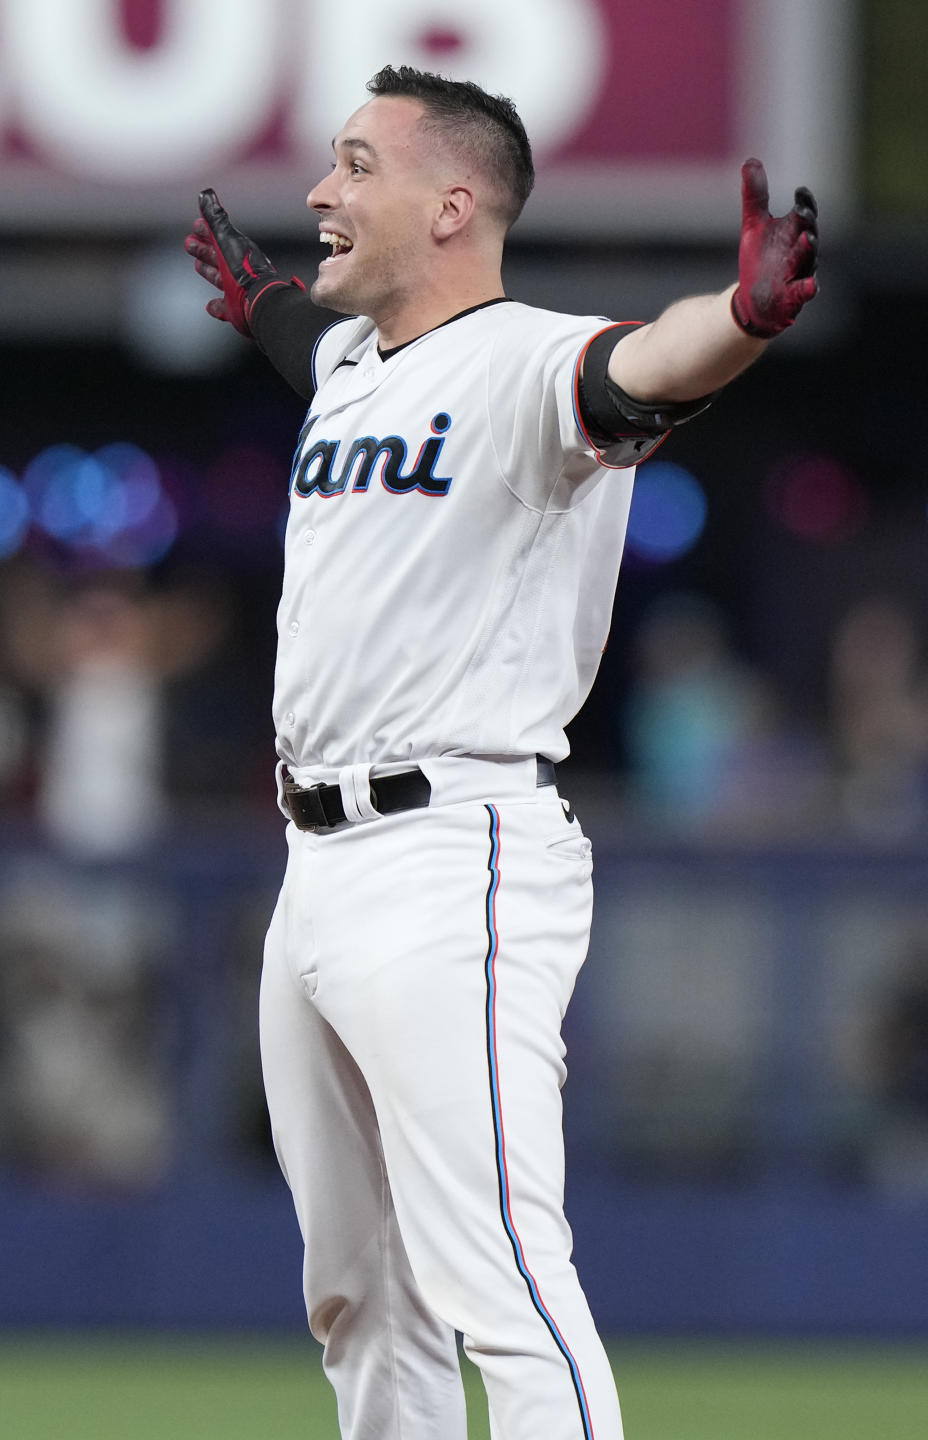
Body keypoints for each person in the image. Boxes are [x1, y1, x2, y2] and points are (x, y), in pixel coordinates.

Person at [184, 64, 817, 1440]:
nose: (320, 191)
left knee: (504, 1290)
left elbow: (646, 366)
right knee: (359, 1298)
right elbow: (312, 347)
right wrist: (268, 313)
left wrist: (748, 319)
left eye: (358, 165)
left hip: (449, 855)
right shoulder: (354, 362)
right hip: (317, 865)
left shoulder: (534, 361)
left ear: (454, 204)